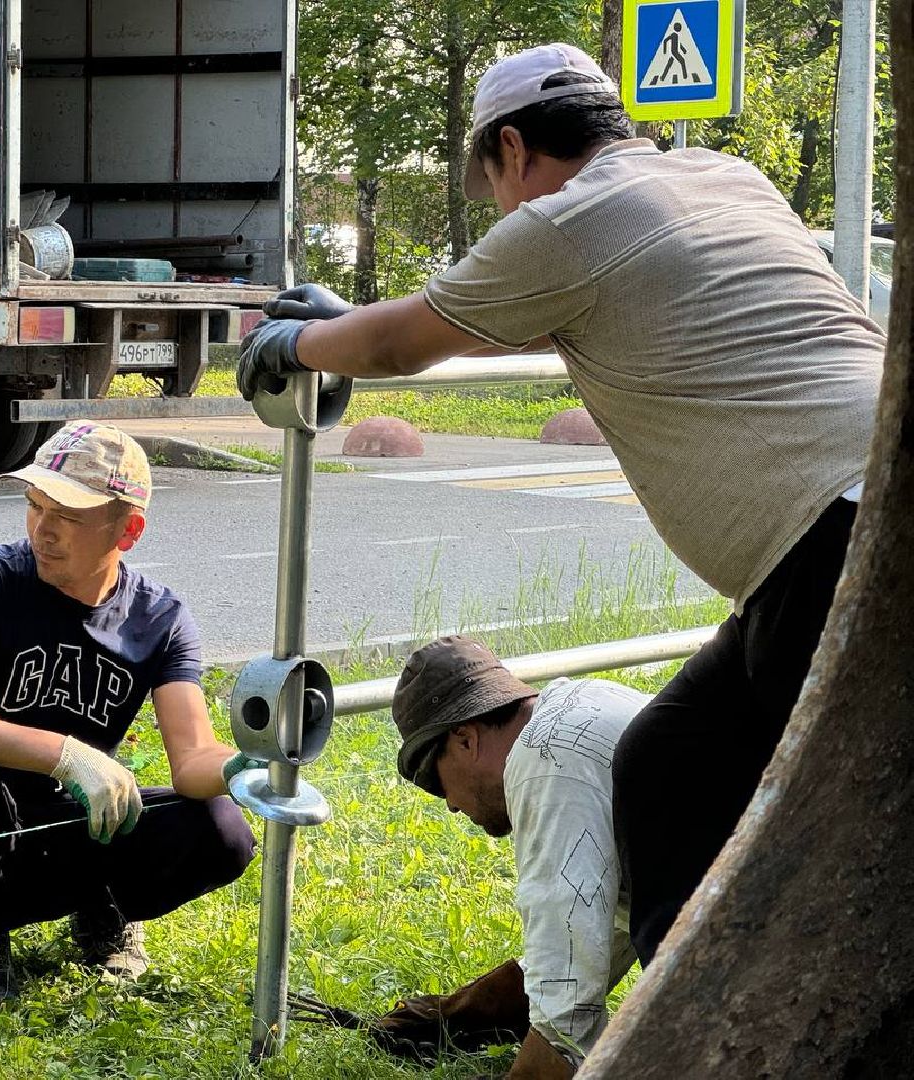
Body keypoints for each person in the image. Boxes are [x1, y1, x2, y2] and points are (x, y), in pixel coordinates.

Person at [238, 42, 883, 966]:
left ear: (513, 147)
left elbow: (402, 347)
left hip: (832, 539)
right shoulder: (723, 177)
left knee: (851, 834)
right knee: (668, 764)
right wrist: (345, 324)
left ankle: (778, 1016)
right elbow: (532, 314)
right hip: (849, 514)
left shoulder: (568, 219)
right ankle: (682, 1015)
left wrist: (296, 346)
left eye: (494, 186)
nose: (502, 209)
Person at [0, 421, 257, 998]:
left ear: (128, 531)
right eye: (34, 506)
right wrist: (63, 754)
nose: (42, 531)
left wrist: (246, 764)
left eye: (69, 517)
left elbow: (192, 760)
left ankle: (105, 910)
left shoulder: (160, 618)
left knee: (221, 829)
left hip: (83, 822)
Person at [323, 637, 648, 1077]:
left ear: (464, 740)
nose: (450, 805)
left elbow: (567, 1015)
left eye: (434, 781)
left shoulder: (545, 762)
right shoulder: (583, 705)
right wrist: (463, 1013)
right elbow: (603, 927)